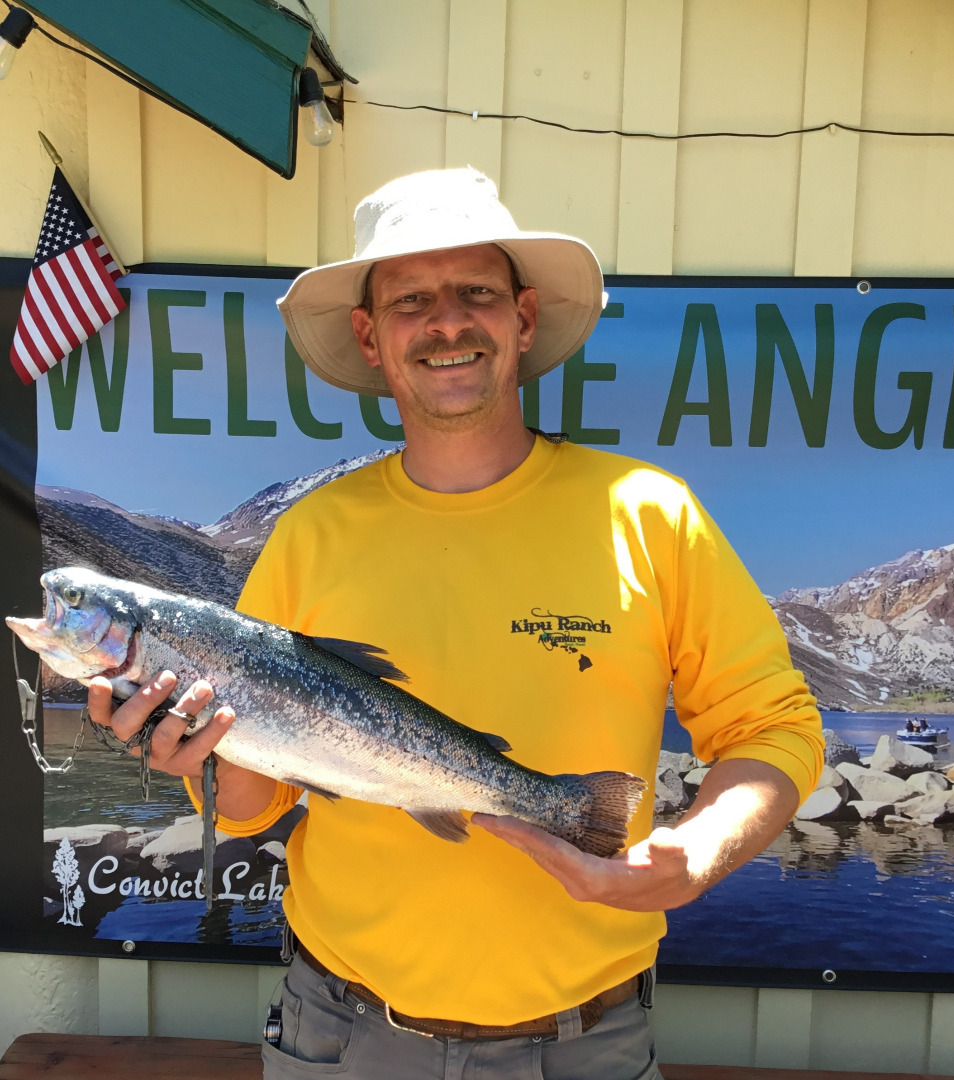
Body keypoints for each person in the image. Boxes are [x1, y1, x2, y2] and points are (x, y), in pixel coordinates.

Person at [88, 168, 824, 1080]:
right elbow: (250, 806)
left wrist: (693, 855)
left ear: (520, 318)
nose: (446, 322)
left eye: (474, 292)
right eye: (411, 301)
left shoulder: (649, 514)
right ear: (369, 334)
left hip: (585, 1042)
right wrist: (190, 754)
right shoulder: (311, 534)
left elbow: (775, 728)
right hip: (342, 1030)